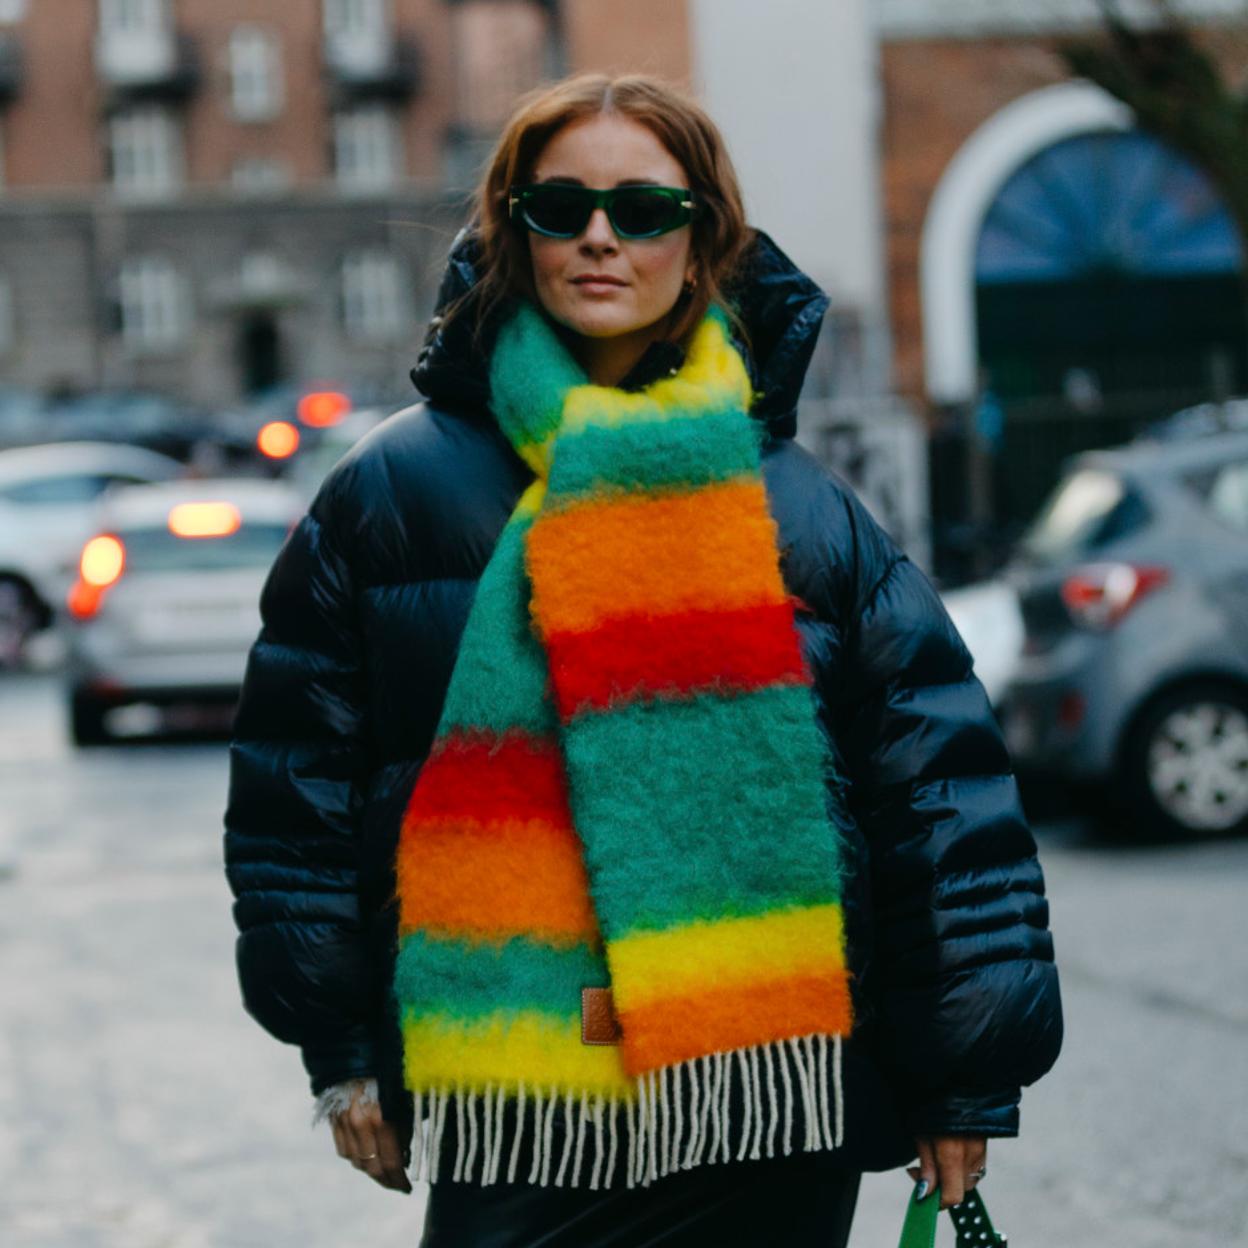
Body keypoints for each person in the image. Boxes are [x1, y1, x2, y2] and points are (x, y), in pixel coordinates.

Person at [223, 72, 1062, 1247]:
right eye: (561, 207)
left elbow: (938, 798)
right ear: (513, 233)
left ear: (705, 236)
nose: (602, 237)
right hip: (521, 1101)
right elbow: (295, 791)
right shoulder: (390, 495)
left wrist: (964, 1073)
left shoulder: (808, 515)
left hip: (769, 1100)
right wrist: (340, 1041)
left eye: (645, 210)